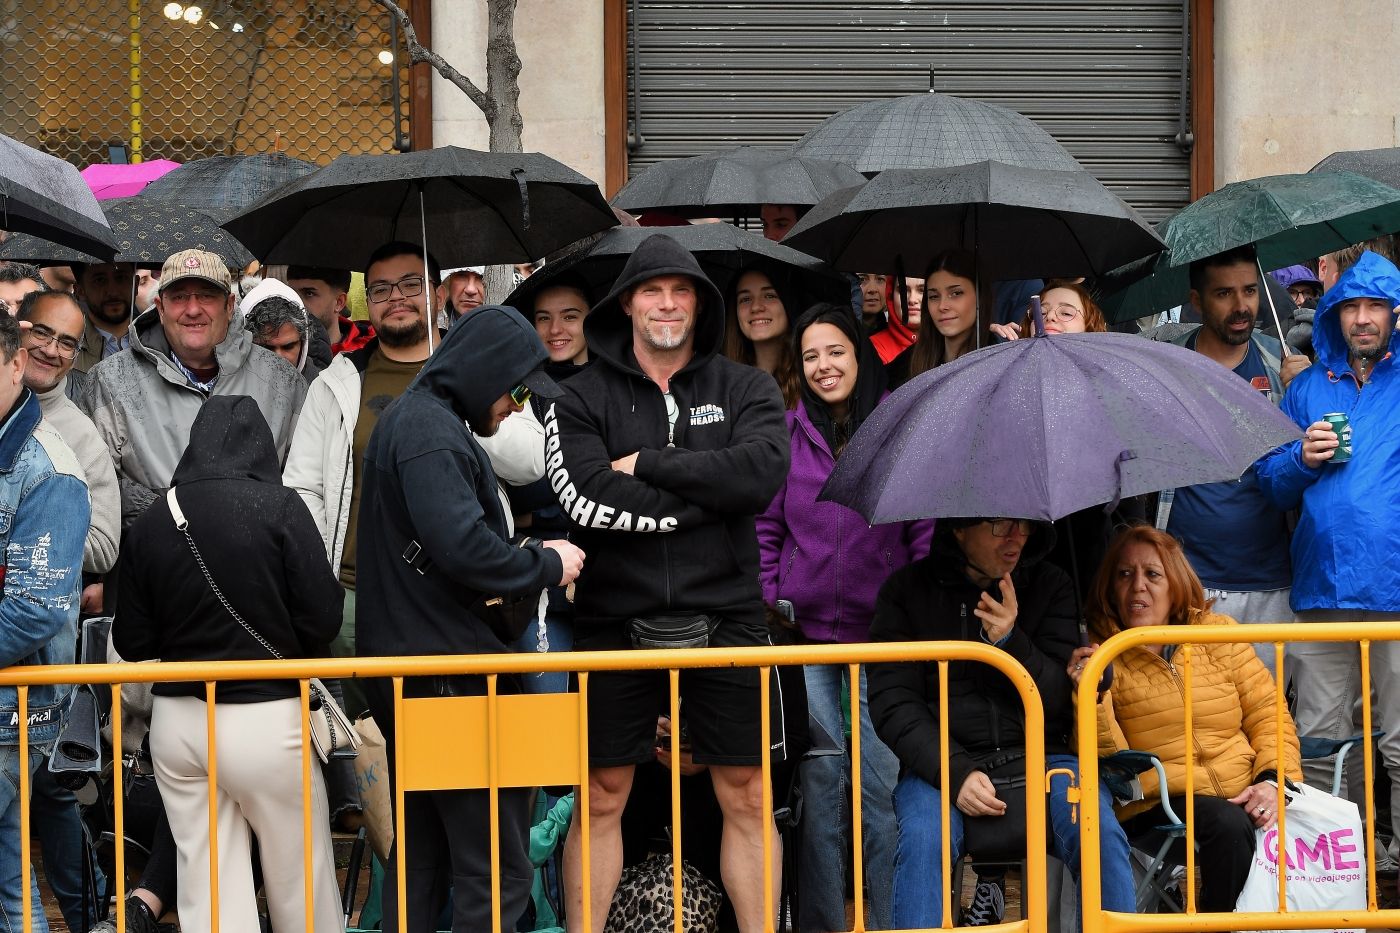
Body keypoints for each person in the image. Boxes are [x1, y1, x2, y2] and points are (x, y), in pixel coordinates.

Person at [544, 232, 789, 933]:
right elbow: (587, 498)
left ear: (699, 304)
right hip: (612, 620)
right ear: (627, 303)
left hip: (730, 616)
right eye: (653, 289)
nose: (668, 303)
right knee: (599, 794)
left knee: (747, 793)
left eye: (682, 290)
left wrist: (648, 460)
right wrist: (712, 499)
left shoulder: (746, 385)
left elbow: (761, 475)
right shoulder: (579, 395)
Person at [355, 306, 583, 932]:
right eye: (514, 391)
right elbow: (462, 546)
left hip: (423, 671)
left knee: (425, 859)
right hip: (450, 677)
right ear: (484, 372)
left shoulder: (421, 421)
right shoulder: (430, 430)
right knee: (492, 866)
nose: (515, 407)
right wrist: (545, 561)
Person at [284, 241, 544, 717]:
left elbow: (531, 461)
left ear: (439, 294)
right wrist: (321, 579)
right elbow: (302, 488)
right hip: (352, 595)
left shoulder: (486, 370)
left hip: (461, 602)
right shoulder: (339, 381)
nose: (396, 297)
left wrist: (461, 404)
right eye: (381, 288)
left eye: (410, 284)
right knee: (363, 755)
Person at [113, 396, 344, 933]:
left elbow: (132, 639)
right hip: (267, 718)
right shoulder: (282, 507)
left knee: (207, 884)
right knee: (298, 877)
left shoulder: (153, 518)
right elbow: (324, 620)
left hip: (178, 722)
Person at [868, 517, 1137, 930]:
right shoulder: (905, 592)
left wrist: (1011, 641)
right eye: (1000, 526)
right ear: (959, 529)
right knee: (924, 839)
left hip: (1045, 758)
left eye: (1025, 527)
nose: (1017, 539)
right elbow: (893, 704)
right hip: (941, 767)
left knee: (1099, 831)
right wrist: (955, 772)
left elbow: (1058, 705)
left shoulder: (1051, 583)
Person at [756, 302, 932, 930]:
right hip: (809, 646)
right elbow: (768, 526)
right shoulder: (787, 431)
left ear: (860, 355)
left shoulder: (894, 429)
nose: (824, 366)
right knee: (822, 792)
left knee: (880, 795)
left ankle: (886, 922)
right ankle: (826, 925)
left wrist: (916, 607)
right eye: (810, 356)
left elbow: (922, 529)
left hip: (882, 647)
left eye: (835, 352)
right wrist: (774, 587)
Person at [1068, 524, 1302, 912]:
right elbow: (1107, 758)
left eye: (1152, 574)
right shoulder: (1100, 652)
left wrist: (1274, 780)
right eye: (1124, 575)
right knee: (1227, 825)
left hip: (1245, 790)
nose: (1137, 586)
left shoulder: (1218, 633)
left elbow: (1268, 714)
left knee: (1302, 818)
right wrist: (1090, 696)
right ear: (1110, 587)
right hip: (1161, 803)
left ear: (1176, 583)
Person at [1256, 250, 1400, 828]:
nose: (1362, 318)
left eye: (1375, 306)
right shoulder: (1307, 388)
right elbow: (1269, 483)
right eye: (1351, 306)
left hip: (1394, 594)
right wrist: (1300, 458)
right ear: (1335, 313)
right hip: (1319, 592)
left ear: (1394, 313)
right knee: (1319, 747)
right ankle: (1341, 877)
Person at [1143, 246, 1303, 675]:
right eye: (1224, 294)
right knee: (1198, 726)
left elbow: (1314, 457)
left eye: (1250, 291)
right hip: (1190, 583)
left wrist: (1306, 391)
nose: (1241, 306)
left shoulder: (1281, 364)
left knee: (1271, 727)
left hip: (1274, 583)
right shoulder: (1165, 366)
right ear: (1196, 301)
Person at [80, 249, 307, 529]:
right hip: (154, 559)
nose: (192, 309)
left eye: (206, 296)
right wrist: (166, 513)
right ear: (160, 308)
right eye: (178, 297)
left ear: (229, 305)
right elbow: (95, 484)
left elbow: (304, 482)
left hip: (257, 562)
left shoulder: (283, 381)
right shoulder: (110, 380)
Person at [0, 310, 89, 933]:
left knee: (8, 878)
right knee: (8, 873)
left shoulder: (49, 468)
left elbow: (34, 608)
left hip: (17, 707)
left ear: (14, 364)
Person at [896, 249, 983, 387]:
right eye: (934, 296)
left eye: (956, 293)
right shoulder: (906, 365)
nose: (942, 306)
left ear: (980, 297)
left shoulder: (1004, 358)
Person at [723, 266, 801, 408]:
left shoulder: (810, 376)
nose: (756, 307)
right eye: (745, 299)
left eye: (769, 296)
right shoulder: (721, 382)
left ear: (789, 302)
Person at [240, 278, 326, 382]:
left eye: (288, 347)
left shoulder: (322, 393)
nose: (278, 359)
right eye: (266, 349)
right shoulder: (225, 389)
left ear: (303, 345)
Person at [287, 265, 375, 356]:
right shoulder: (279, 350)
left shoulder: (369, 354)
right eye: (291, 293)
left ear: (339, 302)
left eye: (309, 293)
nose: (296, 302)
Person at [73, 260, 138, 377]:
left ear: (136, 284)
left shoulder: (160, 342)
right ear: (80, 291)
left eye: (121, 278)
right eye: (100, 280)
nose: (113, 291)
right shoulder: (68, 348)